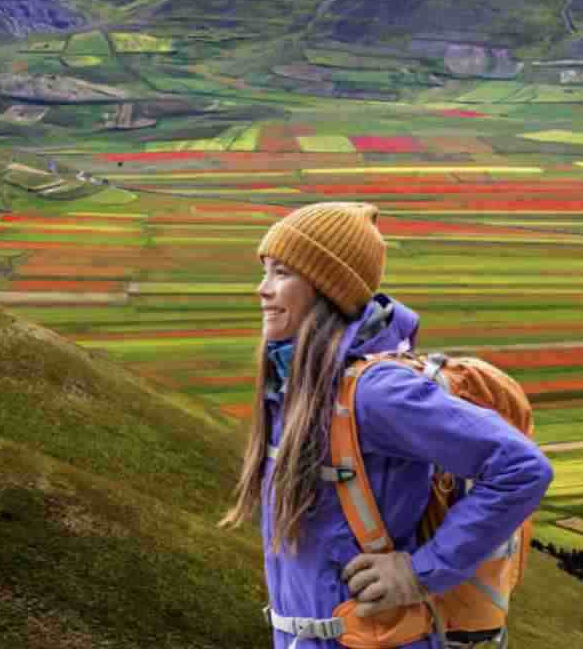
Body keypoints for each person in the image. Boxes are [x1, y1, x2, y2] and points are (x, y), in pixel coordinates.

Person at [219, 201, 553, 648]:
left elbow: (522, 467)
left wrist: (419, 573)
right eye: (265, 271)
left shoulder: (376, 392)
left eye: (282, 273)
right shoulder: (295, 388)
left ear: (326, 288)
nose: (263, 289)